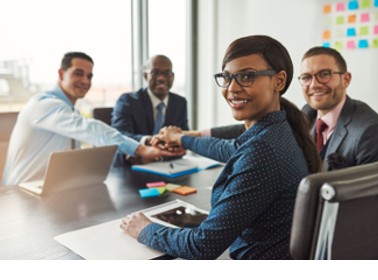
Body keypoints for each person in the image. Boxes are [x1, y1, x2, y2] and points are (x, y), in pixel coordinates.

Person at [119, 35, 322, 259]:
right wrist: (182, 139)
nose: (232, 89)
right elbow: (228, 148)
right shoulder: (278, 129)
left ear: (279, 81)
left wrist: (145, 229)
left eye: (246, 76)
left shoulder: (263, 149)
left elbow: (203, 246)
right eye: (227, 77)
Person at [2, 52, 181, 186]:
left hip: (54, 192)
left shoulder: (69, 111)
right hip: (20, 194)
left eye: (89, 76)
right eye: (78, 73)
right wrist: (140, 149)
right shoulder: (43, 105)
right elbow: (90, 128)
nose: (85, 81)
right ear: (61, 73)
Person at [207, 46, 378, 171]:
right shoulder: (307, 112)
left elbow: (372, 204)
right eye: (306, 77)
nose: (315, 85)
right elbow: (259, 129)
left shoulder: (371, 131)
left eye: (324, 74)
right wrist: (197, 135)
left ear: (346, 79)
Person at [112, 54, 190, 164]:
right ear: (145, 76)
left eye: (167, 73)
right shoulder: (127, 101)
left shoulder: (180, 103)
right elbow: (120, 134)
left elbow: (183, 132)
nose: (161, 78)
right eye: (155, 72)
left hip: (168, 165)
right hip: (133, 165)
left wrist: (181, 144)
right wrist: (149, 140)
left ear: (173, 76)